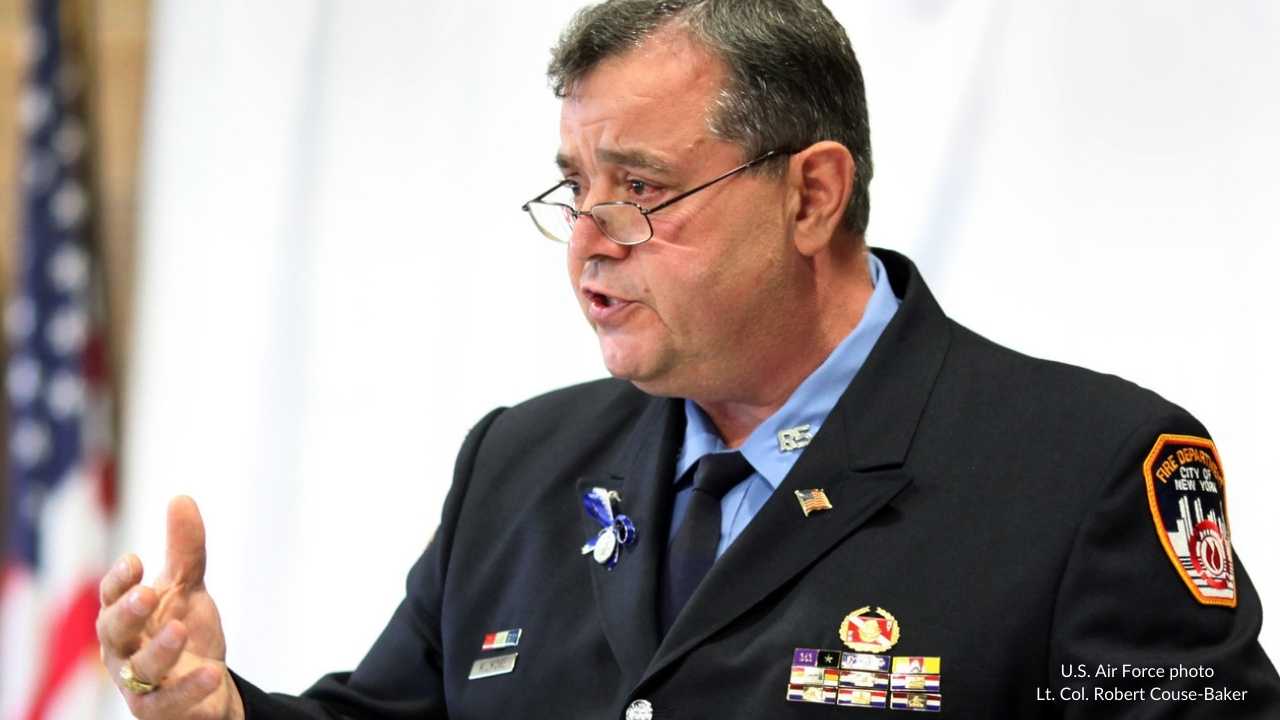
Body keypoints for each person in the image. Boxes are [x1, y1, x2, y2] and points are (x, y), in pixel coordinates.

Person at [97, 1, 1280, 718]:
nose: (588, 240)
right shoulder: (519, 462)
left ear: (810, 195)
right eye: (575, 187)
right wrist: (219, 711)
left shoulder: (1084, 472)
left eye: (641, 188)